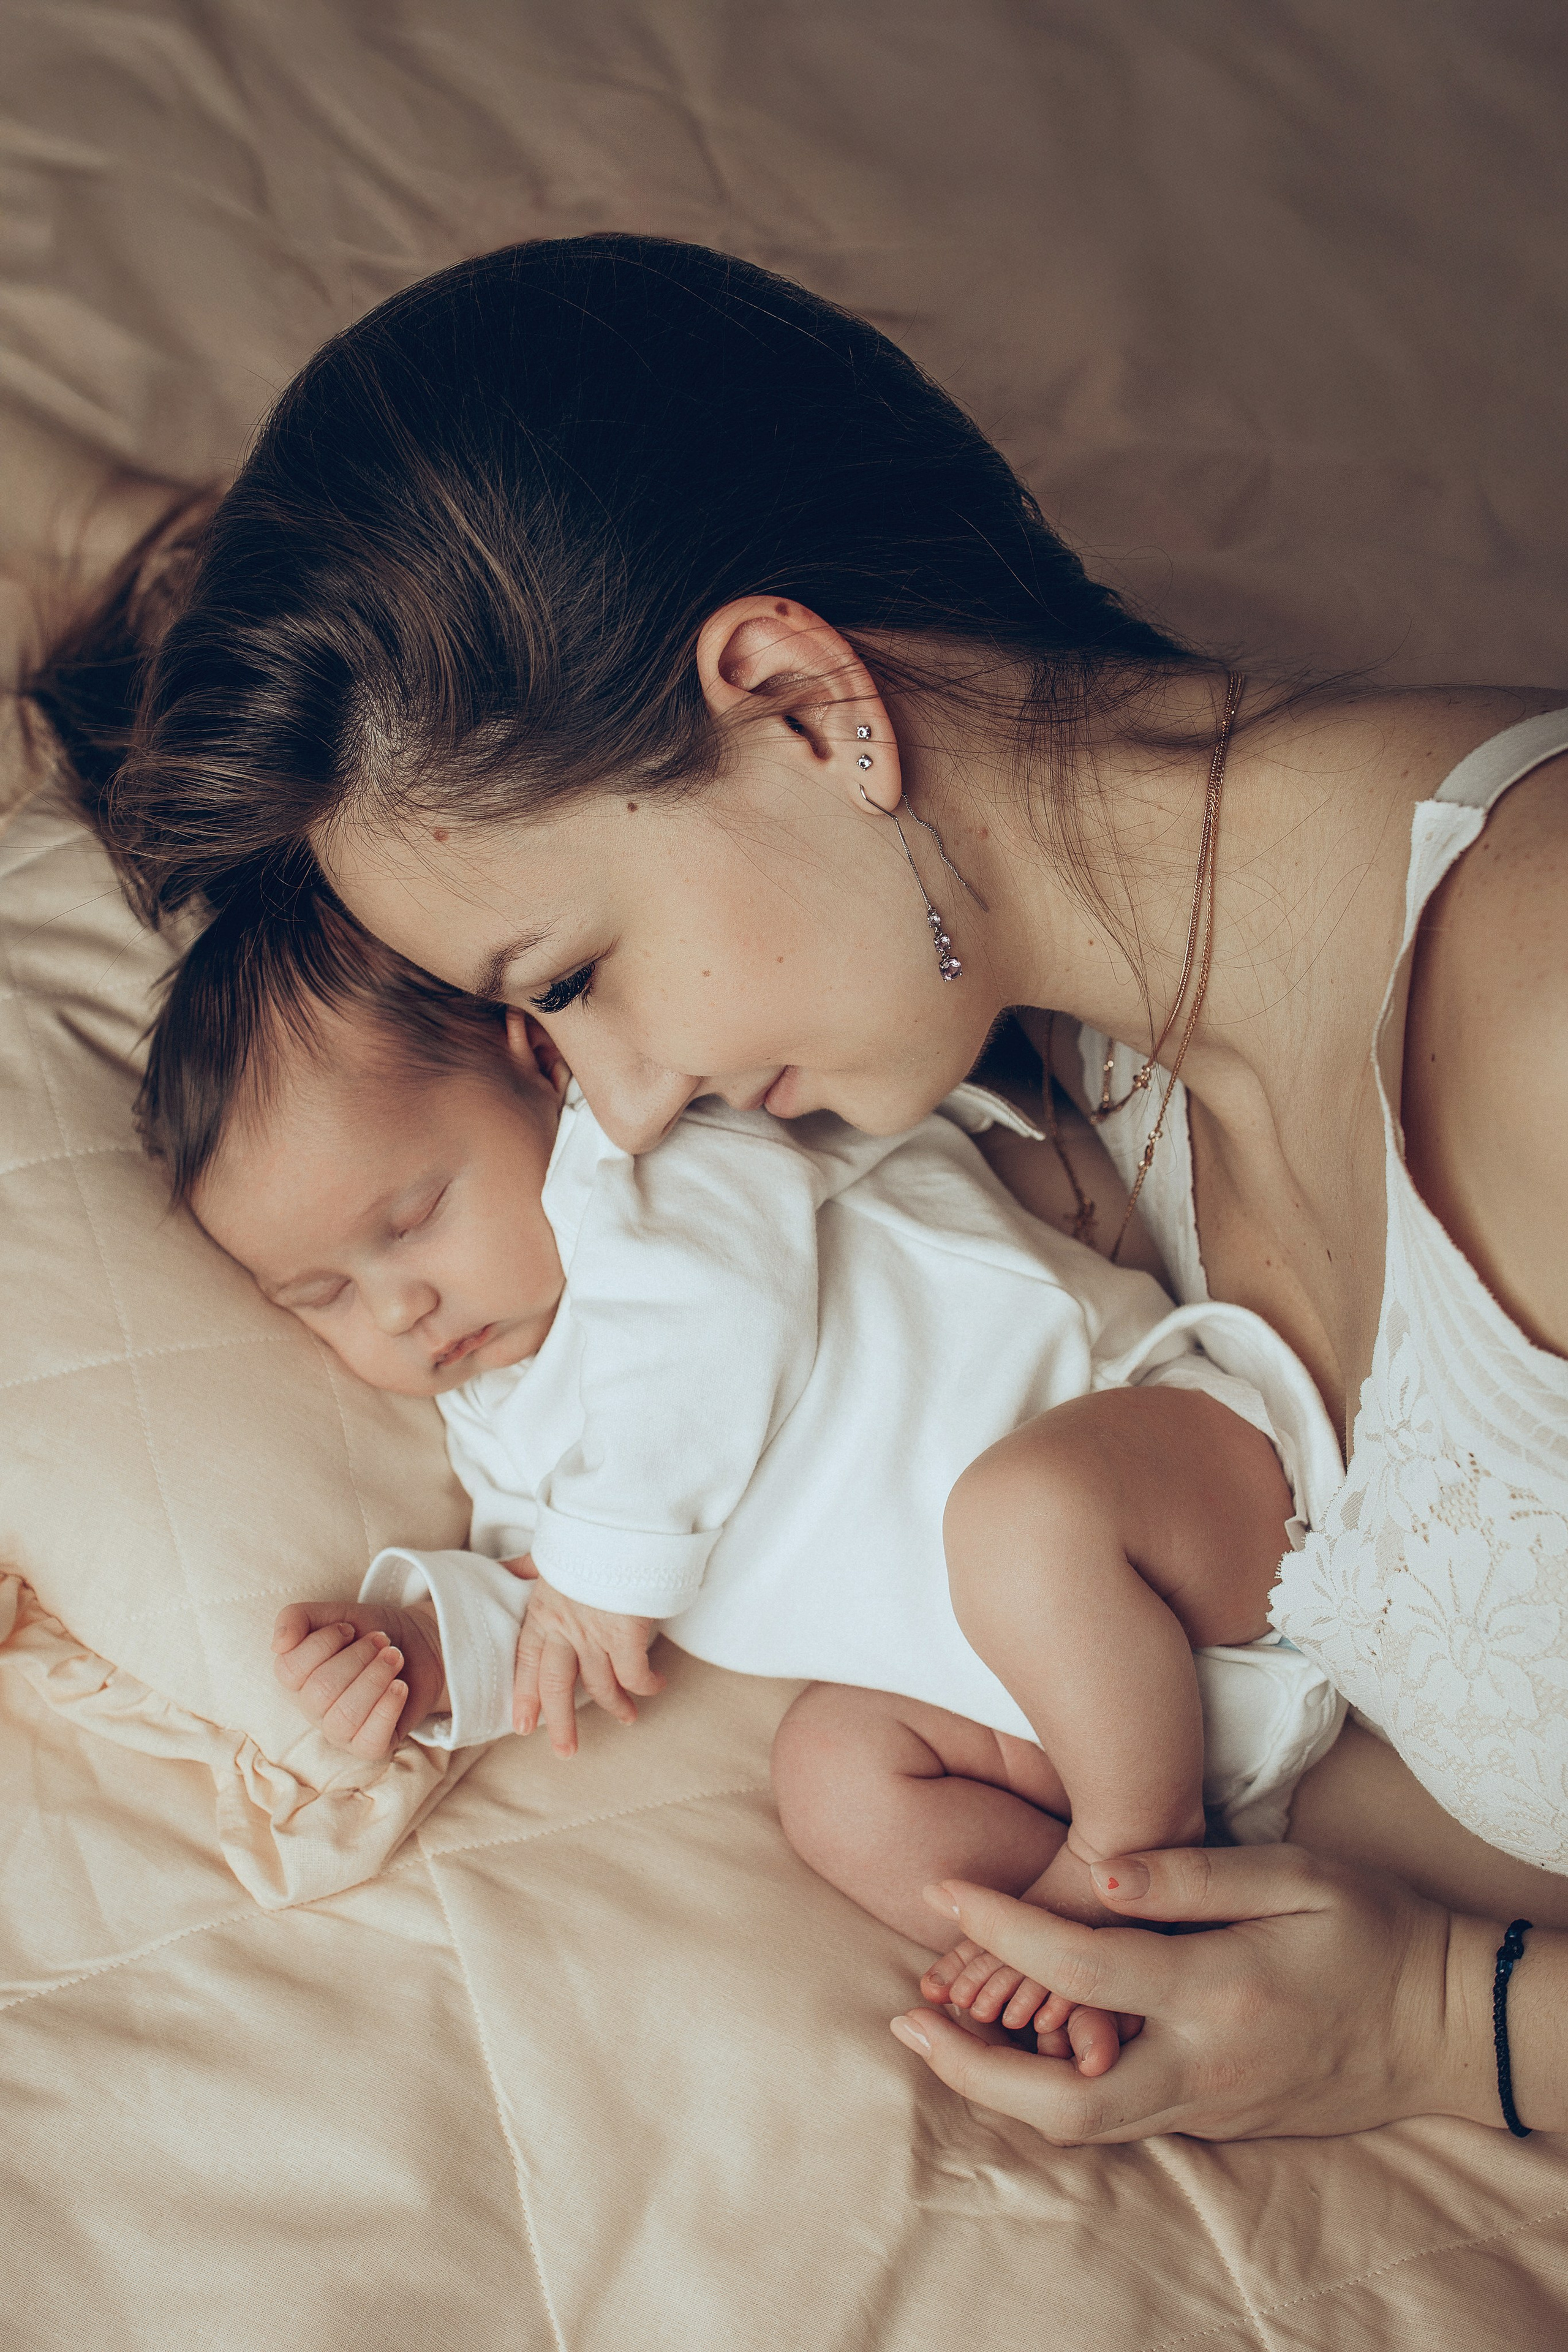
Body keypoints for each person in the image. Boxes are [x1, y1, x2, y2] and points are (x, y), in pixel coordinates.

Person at [53, 233, 1568, 2139]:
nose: (618, 1103)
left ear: (799, 696)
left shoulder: (1543, 1018)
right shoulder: (1026, 1008)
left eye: (572, 981)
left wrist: (1446, 2026)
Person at [136, 881, 1343, 2060]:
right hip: (1043, 1729)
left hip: (1181, 1511)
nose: (400, 1309)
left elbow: (706, 1333)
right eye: (323, 1295)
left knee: (1021, 1522)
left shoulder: (654, 1166)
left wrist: (597, 1573)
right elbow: (560, 1608)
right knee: (831, 1778)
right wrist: (426, 1647)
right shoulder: (495, 1419)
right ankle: (1069, 1943)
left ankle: (1121, 1870)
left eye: (412, 1219)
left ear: (537, 1067)